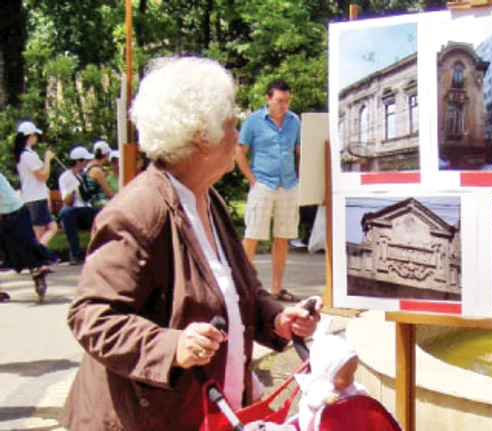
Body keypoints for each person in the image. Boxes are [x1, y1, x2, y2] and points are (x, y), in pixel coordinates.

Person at [60, 57, 322, 431]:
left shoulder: (205, 197)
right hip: (144, 419)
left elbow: (235, 292)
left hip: (203, 411)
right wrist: (171, 346)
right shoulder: (138, 211)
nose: (237, 134)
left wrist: (277, 320)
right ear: (203, 136)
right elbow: (90, 315)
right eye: (231, 122)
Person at [235, 79, 301, 302]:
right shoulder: (253, 121)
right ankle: (241, 287)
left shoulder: (295, 121)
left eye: (287, 100)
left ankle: (276, 288)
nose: (284, 105)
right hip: (263, 183)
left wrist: (302, 177)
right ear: (268, 99)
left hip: (289, 184)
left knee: (283, 237)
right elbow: (239, 151)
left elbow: (300, 151)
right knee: (252, 234)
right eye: (280, 100)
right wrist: (252, 179)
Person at [0, 172, 58, 303]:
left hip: (15, 213)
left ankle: (39, 270)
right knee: (10, 251)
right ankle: (38, 269)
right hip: (6, 214)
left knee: (25, 246)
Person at [295, 335, 366, 431]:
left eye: (353, 372)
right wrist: (326, 398)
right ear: (328, 373)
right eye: (347, 375)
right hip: (319, 425)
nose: (352, 379)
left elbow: (355, 388)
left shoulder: (345, 383)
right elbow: (314, 400)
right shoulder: (319, 385)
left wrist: (362, 392)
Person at [12, 120, 59, 246]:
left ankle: (40, 257)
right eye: (35, 135)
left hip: (35, 197)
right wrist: (48, 160)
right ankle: (38, 258)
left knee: (51, 227)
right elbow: (43, 176)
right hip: (35, 198)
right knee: (39, 233)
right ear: (30, 136)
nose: (36, 138)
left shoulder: (28, 154)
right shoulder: (27, 156)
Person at [58, 146, 98, 265]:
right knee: (66, 213)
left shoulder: (88, 175)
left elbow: (92, 195)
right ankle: (75, 253)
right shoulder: (65, 177)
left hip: (87, 209)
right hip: (74, 211)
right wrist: (74, 189)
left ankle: (96, 252)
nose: (86, 163)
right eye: (85, 161)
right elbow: (66, 201)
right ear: (78, 161)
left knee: (98, 213)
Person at [84, 139, 115, 210]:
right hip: (98, 203)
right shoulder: (97, 171)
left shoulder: (89, 166)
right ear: (106, 154)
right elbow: (109, 193)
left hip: (91, 202)